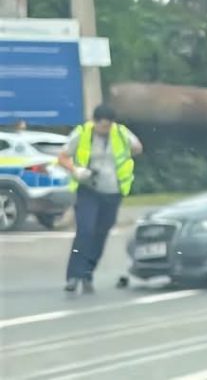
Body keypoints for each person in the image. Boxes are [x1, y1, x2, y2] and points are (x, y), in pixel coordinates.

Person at [58, 104, 143, 294]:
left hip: (113, 191)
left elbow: (137, 148)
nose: (105, 129)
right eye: (102, 126)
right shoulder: (82, 133)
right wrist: (76, 170)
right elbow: (62, 157)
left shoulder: (120, 133)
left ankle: (87, 273)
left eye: (108, 125)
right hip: (89, 189)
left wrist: (127, 154)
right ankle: (74, 276)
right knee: (85, 230)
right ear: (94, 122)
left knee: (100, 234)